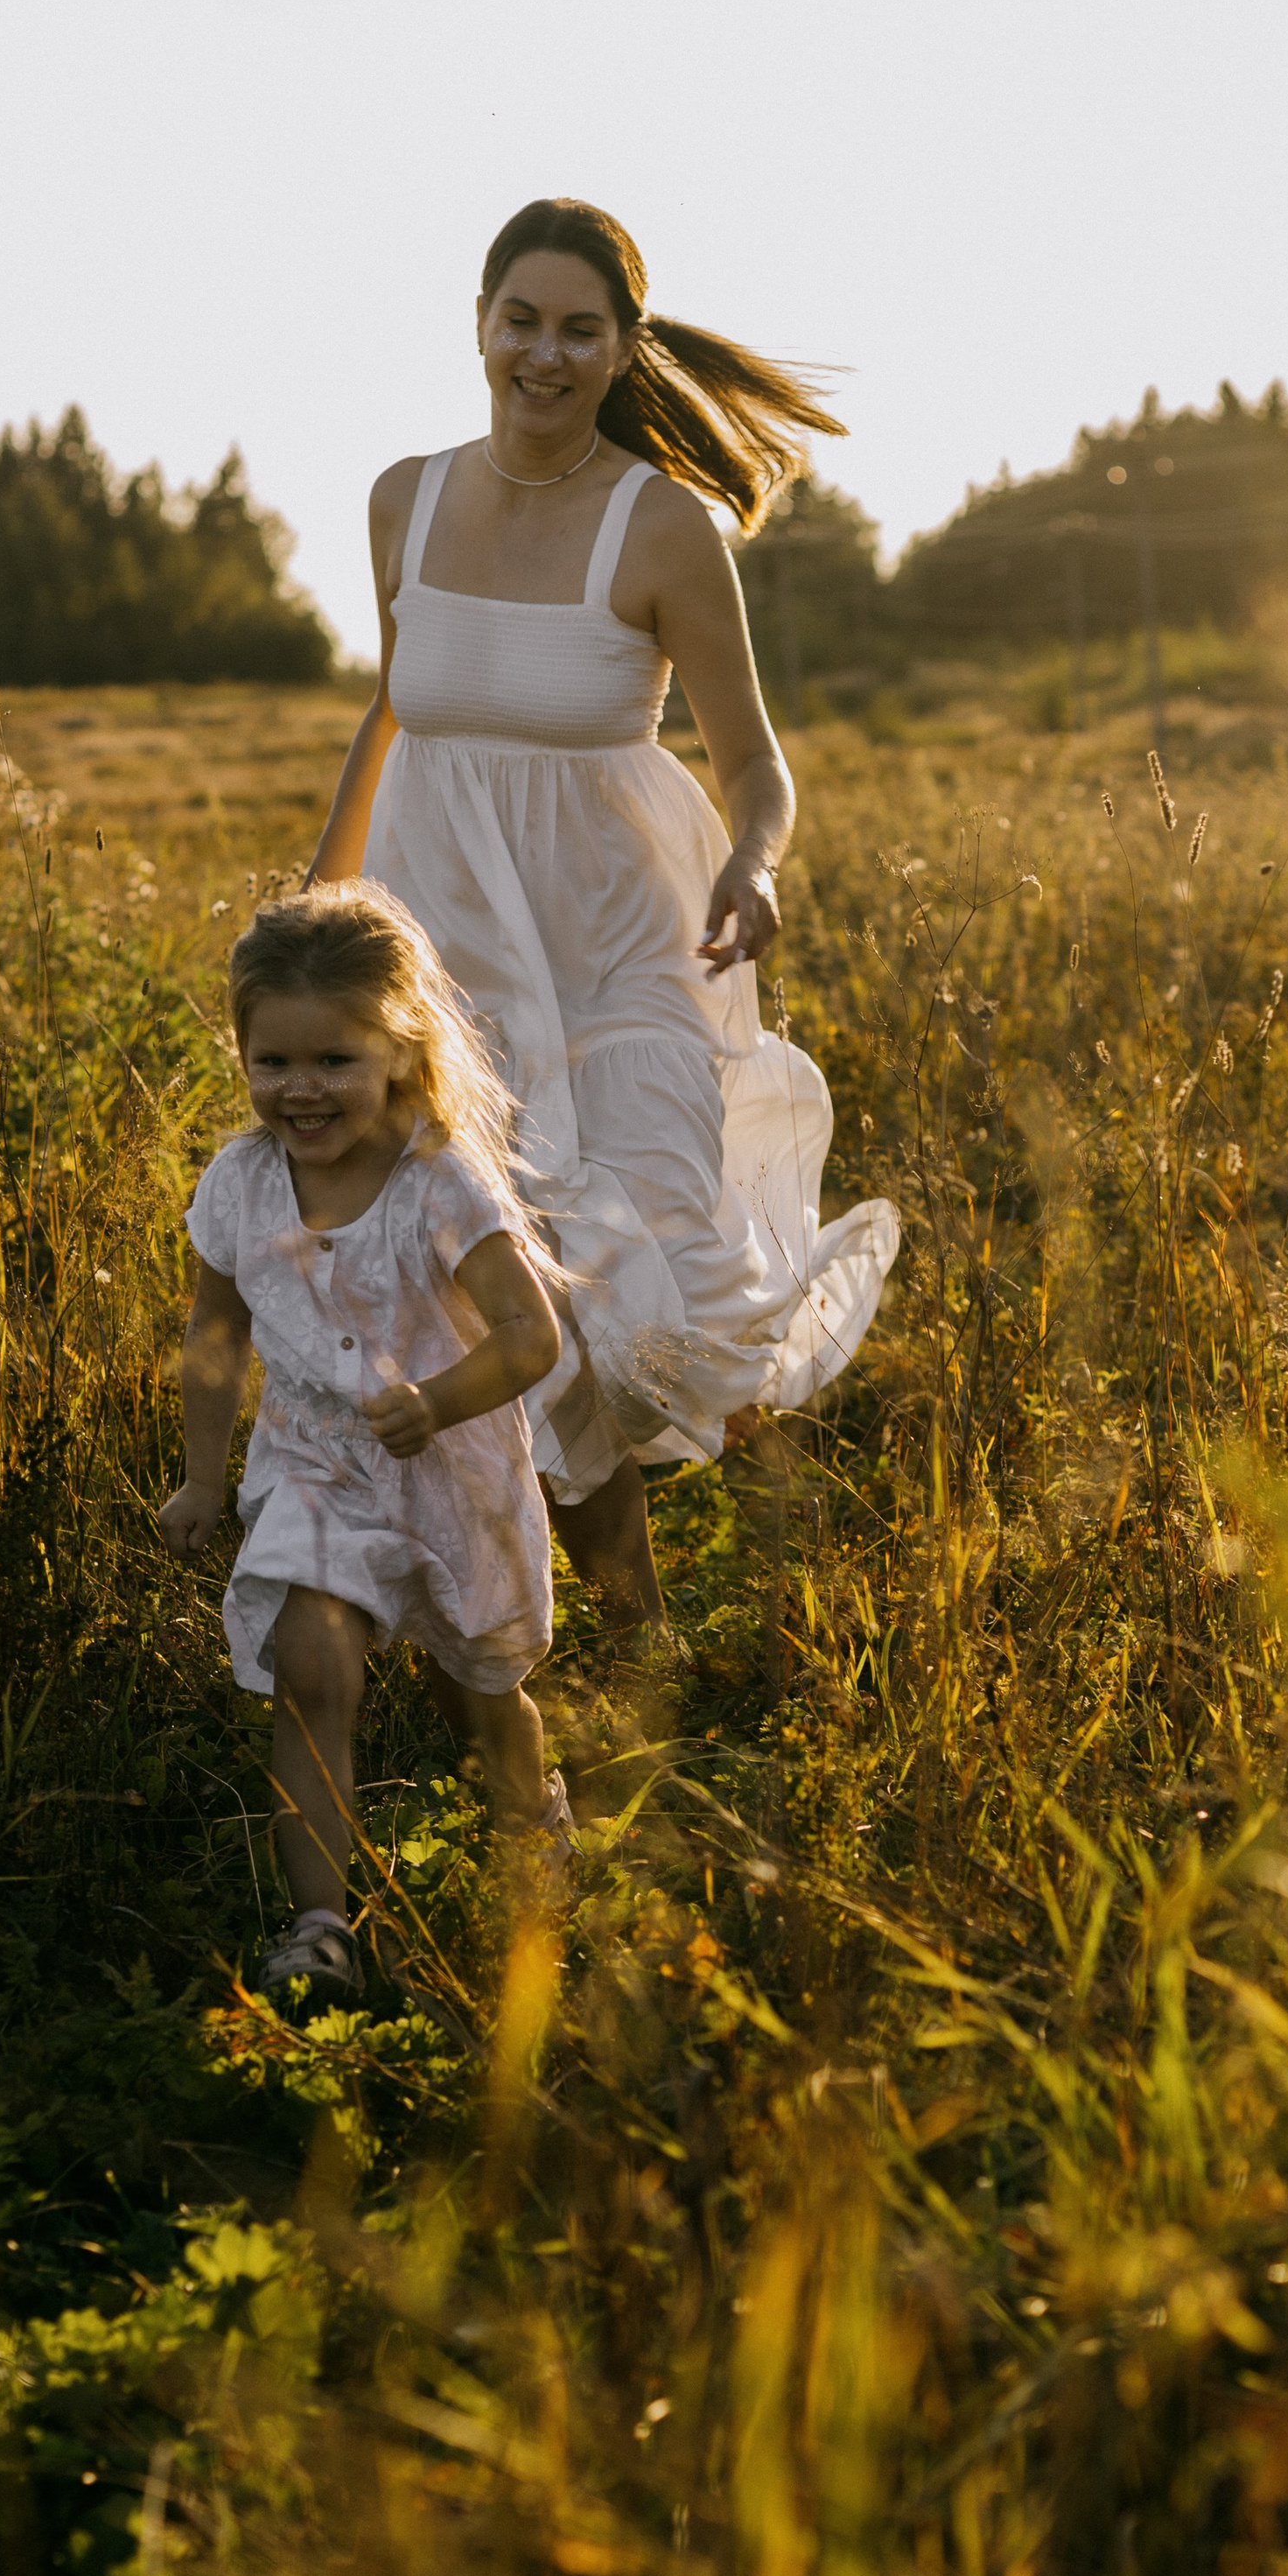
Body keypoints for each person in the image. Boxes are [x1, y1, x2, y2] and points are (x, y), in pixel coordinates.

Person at [307, 194, 899, 1640]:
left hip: (630, 956)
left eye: (581, 330)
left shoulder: (664, 529)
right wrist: (316, 913)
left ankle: (745, 1506)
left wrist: (752, 864)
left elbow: (754, 763)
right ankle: (630, 1637)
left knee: (658, 1296)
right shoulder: (406, 498)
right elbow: (396, 706)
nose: (546, 355)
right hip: (447, 963)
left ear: (622, 347)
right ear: (482, 326)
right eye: (523, 322)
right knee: (524, 1303)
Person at [158, 886, 569, 2004]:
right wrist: (202, 1478)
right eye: (273, 1061)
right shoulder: (240, 1188)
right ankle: (321, 1925)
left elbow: (532, 1335)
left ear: (399, 1049)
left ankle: (534, 1823)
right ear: (241, 1056)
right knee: (313, 1668)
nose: (301, 1089)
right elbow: (214, 1333)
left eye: (334, 1060)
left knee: (475, 1689)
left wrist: (437, 1400)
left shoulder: (438, 1184)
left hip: (451, 1475)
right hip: (312, 1472)